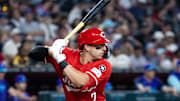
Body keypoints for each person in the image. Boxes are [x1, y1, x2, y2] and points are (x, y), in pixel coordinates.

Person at [29, 28, 112, 101]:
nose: (104, 49)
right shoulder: (67, 54)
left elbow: (81, 82)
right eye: (99, 46)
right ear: (87, 47)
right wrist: (52, 50)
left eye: (104, 45)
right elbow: (33, 53)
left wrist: (60, 59)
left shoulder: (104, 65)